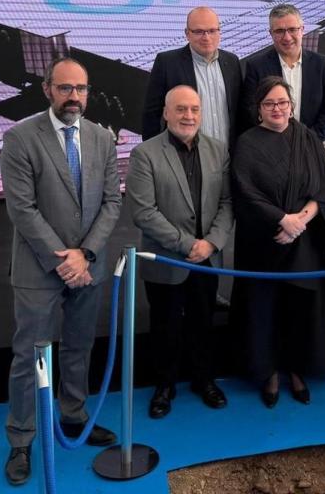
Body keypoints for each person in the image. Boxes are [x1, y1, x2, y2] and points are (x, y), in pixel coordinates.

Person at [0, 57, 122, 486]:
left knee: (78, 346)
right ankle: (21, 439)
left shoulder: (102, 138)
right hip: (39, 268)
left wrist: (85, 254)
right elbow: (23, 209)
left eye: (81, 89)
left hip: (88, 266)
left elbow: (111, 203)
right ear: (47, 90)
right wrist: (63, 259)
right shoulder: (18, 138)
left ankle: (73, 417)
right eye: (66, 88)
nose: (74, 97)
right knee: (30, 356)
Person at [126, 85, 234, 419]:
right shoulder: (145, 154)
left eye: (194, 109)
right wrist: (190, 245)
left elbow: (227, 203)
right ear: (166, 113)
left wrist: (212, 243)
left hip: (208, 261)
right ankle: (165, 386)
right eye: (181, 109)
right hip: (168, 260)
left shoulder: (219, 151)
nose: (189, 116)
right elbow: (143, 212)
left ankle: (204, 380)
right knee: (165, 326)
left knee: (203, 323)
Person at [231, 75, 325, 408]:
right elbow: (245, 192)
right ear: (258, 109)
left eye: (282, 102)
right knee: (266, 312)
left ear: (291, 106)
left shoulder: (307, 137)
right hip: (263, 244)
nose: (277, 109)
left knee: (298, 311)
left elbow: (322, 188)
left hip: (303, 243)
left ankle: (298, 370)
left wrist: (300, 221)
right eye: (270, 103)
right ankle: (269, 373)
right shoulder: (247, 143)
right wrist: (282, 220)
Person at [141, 6, 244, 147]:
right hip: (184, 159)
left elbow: (239, 112)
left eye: (212, 31)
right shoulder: (167, 63)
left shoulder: (232, 61)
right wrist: (154, 156)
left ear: (219, 32)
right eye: (199, 32)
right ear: (187, 33)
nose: (206, 37)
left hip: (228, 157)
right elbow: (151, 115)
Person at [242, 4, 325, 140]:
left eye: (292, 29)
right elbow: (251, 110)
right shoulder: (256, 66)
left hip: (311, 147)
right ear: (271, 33)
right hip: (271, 148)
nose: (287, 37)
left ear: (302, 30)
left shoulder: (322, 64)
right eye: (279, 31)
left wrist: (310, 140)